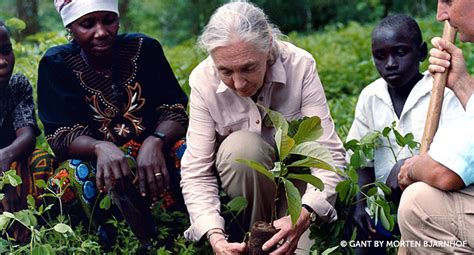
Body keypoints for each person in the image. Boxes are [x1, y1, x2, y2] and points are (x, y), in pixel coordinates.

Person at [180, 1, 346, 254]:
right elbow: (197, 171)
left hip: (298, 187)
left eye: (248, 68)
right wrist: (215, 236)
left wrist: (305, 213)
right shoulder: (203, 81)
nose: (238, 83)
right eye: (225, 71)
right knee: (242, 149)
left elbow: (328, 155)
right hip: (247, 195)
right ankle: (251, 236)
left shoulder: (300, 66)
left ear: (268, 46)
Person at [37, 0, 188, 250]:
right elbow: (60, 135)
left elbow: (175, 110)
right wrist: (99, 147)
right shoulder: (57, 64)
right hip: (98, 165)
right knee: (73, 173)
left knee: (189, 150)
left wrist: (156, 140)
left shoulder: (145, 49)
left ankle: (187, 225)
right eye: (87, 24)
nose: (101, 31)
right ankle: (110, 238)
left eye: (108, 20)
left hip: (155, 158)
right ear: (70, 27)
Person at [345, 14, 463, 254]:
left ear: (420, 53)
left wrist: (405, 169)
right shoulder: (370, 97)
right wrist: (361, 205)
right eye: (380, 56)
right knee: (362, 245)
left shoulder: (443, 94)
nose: (390, 63)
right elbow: (363, 162)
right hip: (383, 209)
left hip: (428, 203)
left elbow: (452, 160)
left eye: (400, 53)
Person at [397, 1, 474, 254]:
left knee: (419, 204)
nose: (441, 14)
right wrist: (462, 83)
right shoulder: (369, 95)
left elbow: (446, 172)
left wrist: (413, 168)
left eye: (449, 1)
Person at [0, 21, 56, 243]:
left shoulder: (17, 85)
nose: (3, 62)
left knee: (41, 160)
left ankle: (26, 229)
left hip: (12, 166)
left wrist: (5, 159)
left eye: (6, 51)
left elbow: (27, 136)